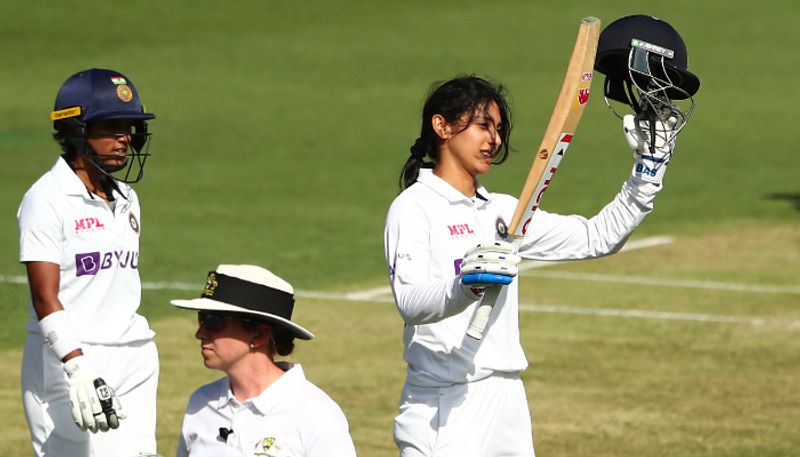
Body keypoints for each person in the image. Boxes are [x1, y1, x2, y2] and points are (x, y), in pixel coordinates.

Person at [383, 74, 682, 456]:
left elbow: (597, 237)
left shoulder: (506, 212)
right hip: (445, 404)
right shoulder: (413, 208)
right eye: (482, 125)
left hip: (506, 397)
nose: (493, 140)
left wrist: (648, 171)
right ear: (441, 125)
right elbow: (409, 302)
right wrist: (464, 286)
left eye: (499, 129)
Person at [17, 68, 159, 456]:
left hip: (134, 354)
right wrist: (77, 366)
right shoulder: (45, 200)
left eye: (129, 127)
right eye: (111, 127)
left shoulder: (127, 197)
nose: (124, 139)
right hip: (72, 363)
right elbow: (45, 296)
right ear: (77, 131)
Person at [172, 264, 358, 457]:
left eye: (212, 321)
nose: (200, 333)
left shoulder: (316, 414)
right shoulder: (200, 402)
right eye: (201, 319)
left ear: (259, 334)